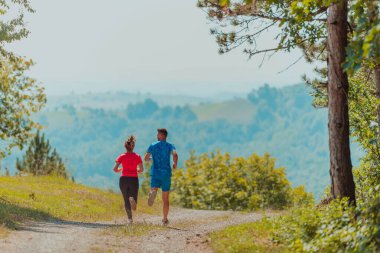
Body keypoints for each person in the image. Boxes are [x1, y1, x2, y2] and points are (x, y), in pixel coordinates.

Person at [144, 128, 178, 226]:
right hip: (166, 173)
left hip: (155, 172)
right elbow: (175, 155)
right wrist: (175, 164)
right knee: (166, 199)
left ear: (162, 135)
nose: (156, 136)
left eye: (158, 134)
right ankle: (165, 219)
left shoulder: (153, 145)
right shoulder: (170, 146)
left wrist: (152, 159)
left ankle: (153, 192)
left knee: (153, 188)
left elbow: (146, 158)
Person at [113, 135, 143, 224]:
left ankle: (130, 220)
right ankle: (132, 199)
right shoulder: (137, 156)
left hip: (123, 179)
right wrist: (135, 170)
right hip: (133, 179)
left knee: (126, 200)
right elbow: (141, 170)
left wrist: (121, 169)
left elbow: (115, 169)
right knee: (133, 199)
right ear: (133, 146)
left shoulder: (122, 156)